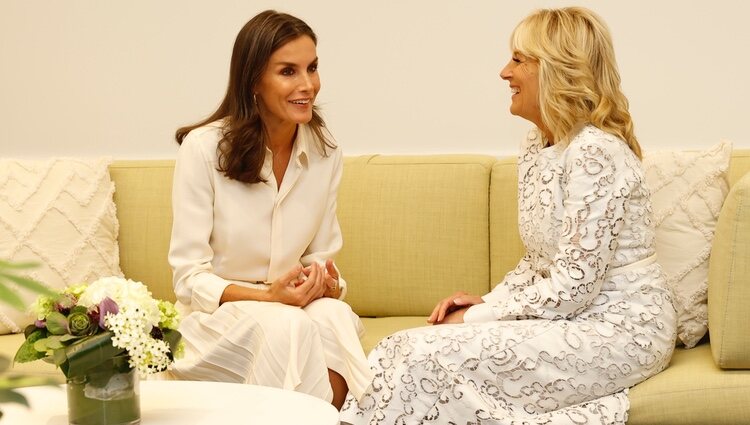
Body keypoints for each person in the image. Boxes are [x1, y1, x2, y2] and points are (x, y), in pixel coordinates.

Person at [339, 7, 677, 424]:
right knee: (397, 347)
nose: (504, 72)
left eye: (518, 60)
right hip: (573, 317)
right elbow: (539, 262)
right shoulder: (536, 143)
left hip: (619, 328)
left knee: (419, 353)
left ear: (557, 70)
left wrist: (477, 316)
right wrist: (489, 300)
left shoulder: (596, 152)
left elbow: (573, 286)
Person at [167, 10, 372, 410]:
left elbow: (321, 257)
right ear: (254, 81)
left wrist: (323, 282)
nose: (307, 85)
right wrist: (269, 298)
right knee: (289, 325)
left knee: (335, 316)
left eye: (312, 68)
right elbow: (189, 278)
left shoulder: (325, 151)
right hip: (212, 324)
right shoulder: (204, 149)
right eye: (288, 71)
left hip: (286, 313)